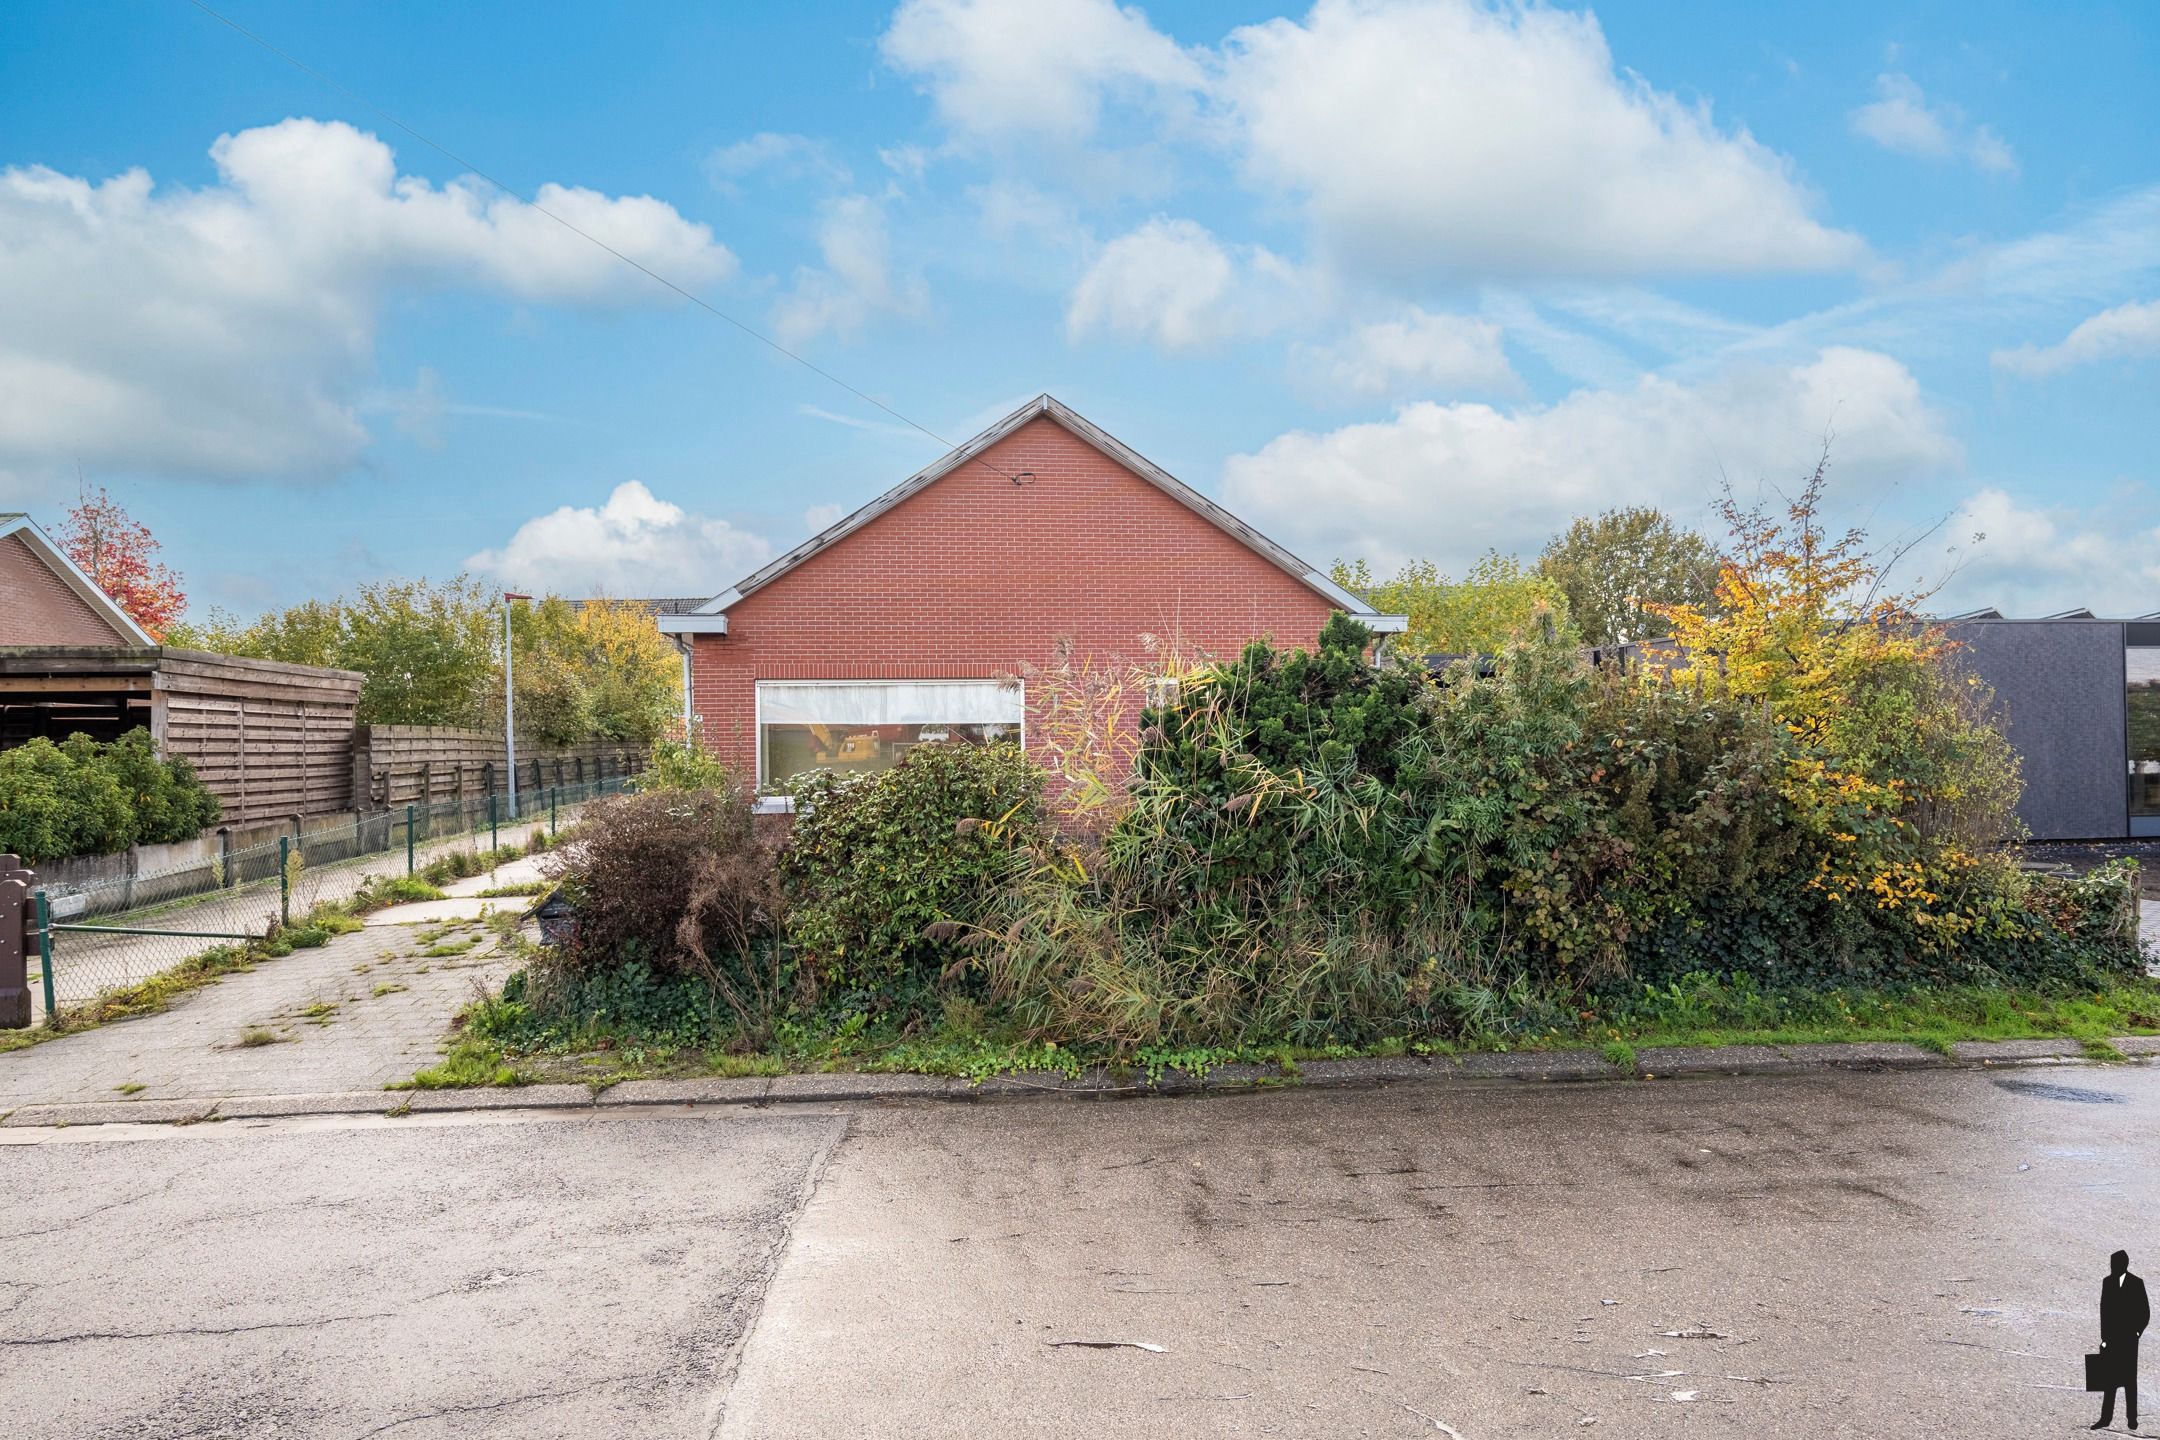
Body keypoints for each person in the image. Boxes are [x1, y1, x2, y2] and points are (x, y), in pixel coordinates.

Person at [2097, 1249, 2149, 1431]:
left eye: (2115, 1264)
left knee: (2129, 1380)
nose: (2112, 1267)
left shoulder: (2136, 1283)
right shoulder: (2107, 1282)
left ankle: (2132, 1418)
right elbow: (2104, 1311)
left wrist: (2136, 1333)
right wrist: (2104, 1338)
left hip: (2128, 1340)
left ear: (2123, 1264)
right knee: (2109, 1380)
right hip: (2112, 1340)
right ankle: (2105, 1418)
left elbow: (2145, 1312)